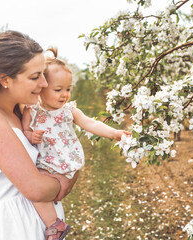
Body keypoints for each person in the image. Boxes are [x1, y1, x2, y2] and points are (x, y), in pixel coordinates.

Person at [0, 31, 78, 240]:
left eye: (43, 74)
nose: (44, 83)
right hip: (10, 227)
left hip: (34, 223)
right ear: (5, 80)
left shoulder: (18, 112)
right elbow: (36, 189)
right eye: (35, 77)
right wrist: (68, 177)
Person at [22, 48, 131, 239]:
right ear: (42, 87)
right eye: (58, 90)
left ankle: (53, 225)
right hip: (44, 165)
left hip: (64, 164)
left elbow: (90, 122)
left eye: (68, 89)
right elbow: (25, 132)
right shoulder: (31, 111)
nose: (65, 94)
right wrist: (32, 137)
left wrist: (113, 133)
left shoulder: (68, 110)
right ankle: (54, 225)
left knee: (37, 193)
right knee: (34, 190)